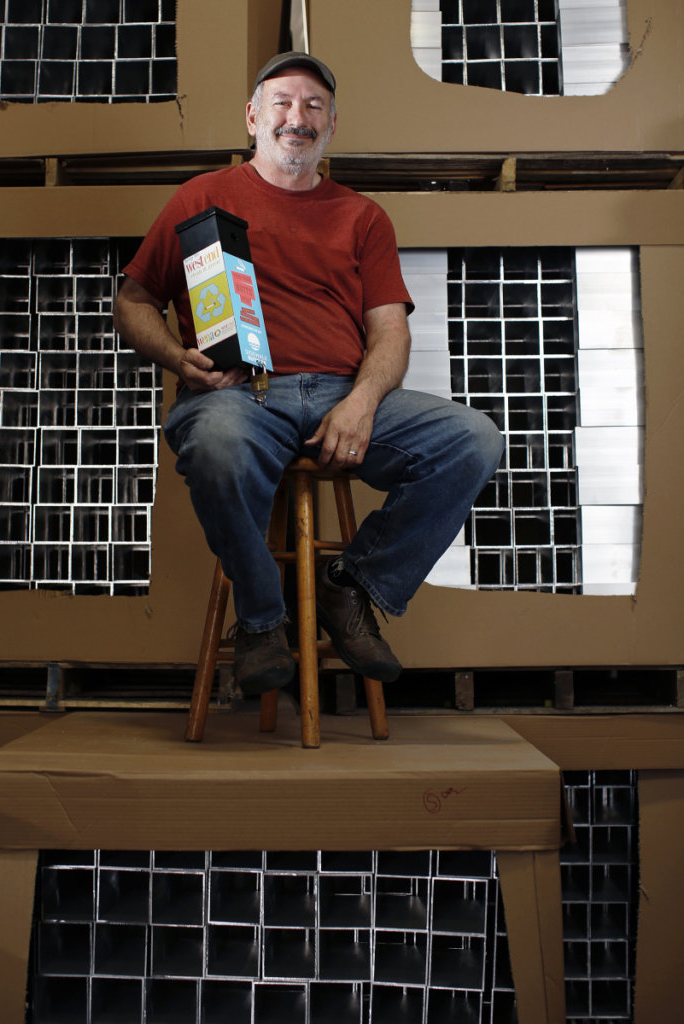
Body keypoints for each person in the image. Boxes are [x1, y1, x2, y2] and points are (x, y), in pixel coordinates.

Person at [114, 51, 504, 696]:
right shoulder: (200, 198)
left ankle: (351, 585)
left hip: (341, 393)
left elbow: (390, 331)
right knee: (216, 444)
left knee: (474, 440)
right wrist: (178, 359)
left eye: (314, 106)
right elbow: (132, 302)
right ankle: (263, 622)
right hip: (237, 396)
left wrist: (363, 402)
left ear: (331, 124)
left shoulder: (363, 216)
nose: (297, 117)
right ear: (253, 117)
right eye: (283, 103)